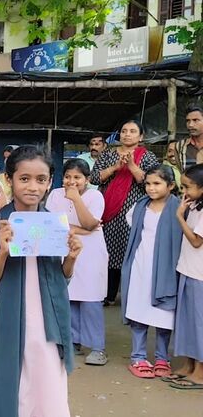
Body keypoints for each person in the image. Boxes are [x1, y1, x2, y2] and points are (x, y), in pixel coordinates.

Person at [0, 145, 81, 417]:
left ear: (49, 183)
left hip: (49, 322)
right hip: (8, 320)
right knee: (14, 385)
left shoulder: (55, 224)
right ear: (9, 180)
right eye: (24, 179)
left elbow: (63, 280)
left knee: (48, 387)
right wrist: (2, 252)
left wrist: (71, 257)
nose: (33, 187)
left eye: (41, 179)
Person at [120, 165, 182, 379]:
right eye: (147, 183)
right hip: (141, 265)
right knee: (139, 312)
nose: (151, 188)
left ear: (171, 185)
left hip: (166, 269)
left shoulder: (180, 208)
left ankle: (162, 357)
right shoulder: (140, 206)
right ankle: (137, 356)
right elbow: (134, 228)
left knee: (164, 315)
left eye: (157, 183)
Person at [46, 159, 109, 366]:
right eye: (67, 177)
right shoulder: (55, 194)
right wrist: (80, 228)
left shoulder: (95, 195)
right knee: (69, 296)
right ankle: (72, 341)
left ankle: (98, 348)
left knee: (91, 299)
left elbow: (90, 223)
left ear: (87, 179)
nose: (71, 182)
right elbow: (53, 223)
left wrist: (75, 200)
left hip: (91, 253)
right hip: (64, 248)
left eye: (77, 178)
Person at [91, 120, 160, 305]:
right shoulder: (108, 155)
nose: (127, 134)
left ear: (141, 136)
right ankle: (108, 295)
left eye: (132, 131)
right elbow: (95, 177)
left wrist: (131, 165)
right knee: (107, 253)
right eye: (124, 131)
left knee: (131, 253)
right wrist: (115, 167)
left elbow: (151, 182)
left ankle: (133, 296)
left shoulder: (147, 157)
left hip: (133, 213)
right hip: (107, 212)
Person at [168, 164, 203, 389]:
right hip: (187, 269)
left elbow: (196, 241)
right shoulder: (196, 206)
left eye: (188, 187)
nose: (184, 192)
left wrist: (180, 216)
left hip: (199, 275)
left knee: (199, 324)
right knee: (187, 322)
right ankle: (188, 365)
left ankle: (200, 372)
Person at [172, 104, 203, 170]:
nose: (190, 125)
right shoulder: (179, 146)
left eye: (195, 120)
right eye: (188, 121)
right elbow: (182, 173)